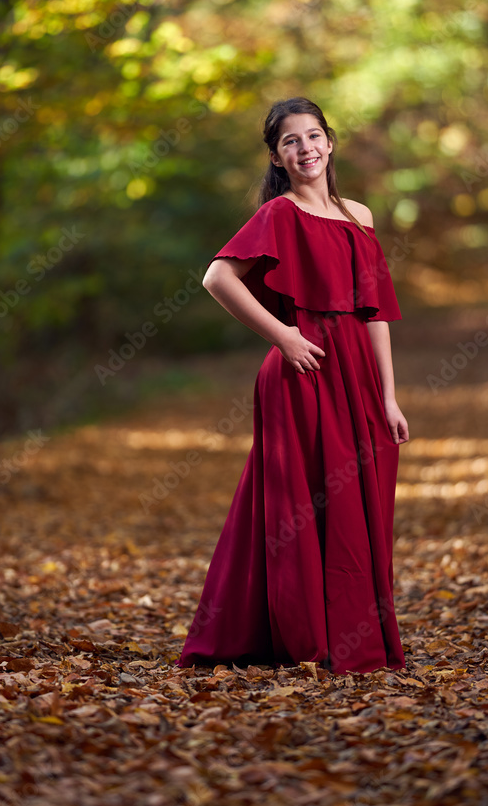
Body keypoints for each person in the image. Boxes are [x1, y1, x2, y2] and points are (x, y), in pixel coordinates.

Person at [175, 96, 409, 675]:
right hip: (303, 371)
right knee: (301, 506)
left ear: (329, 143)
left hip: (358, 375)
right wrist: (283, 335)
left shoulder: (361, 216)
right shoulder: (279, 214)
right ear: (278, 157)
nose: (304, 148)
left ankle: (354, 635)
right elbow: (217, 277)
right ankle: (307, 638)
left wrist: (388, 394)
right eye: (290, 142)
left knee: (361, 500)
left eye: (312, 137)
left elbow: (374, 313)